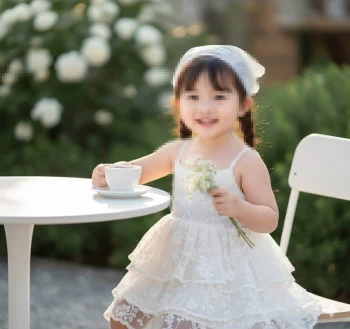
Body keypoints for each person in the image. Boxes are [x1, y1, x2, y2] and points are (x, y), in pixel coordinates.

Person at [92, 45, 324, 329]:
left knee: (179, 325)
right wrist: (110, 171)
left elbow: (270, 218)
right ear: (179, 104)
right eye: (193, 96)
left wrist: (240, 207)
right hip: (174, 259)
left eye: (218, 96)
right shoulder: (178, 150)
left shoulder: (245, 160)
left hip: (225, 272)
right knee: (123, 317)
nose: (205, 107)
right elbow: (138, 171)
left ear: (243, 105)